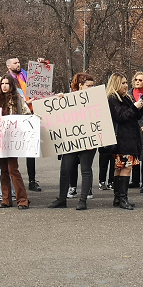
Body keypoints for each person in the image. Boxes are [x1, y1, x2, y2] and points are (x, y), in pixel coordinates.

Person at [49, 73, 97, 210]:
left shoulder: (96, 99)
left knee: (86, 170)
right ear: (80, 86)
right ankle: (62, 199)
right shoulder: (67, 99)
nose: (91, 88)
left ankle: (82, 201)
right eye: (88, 86)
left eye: (92, 86)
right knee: (65, 170)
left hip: (88, 141)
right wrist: (58, 100)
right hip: (71, 141)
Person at [0, 74, 31, 209]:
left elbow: (26, 114)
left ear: (11, 85)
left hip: (14, 138)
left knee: (13, 169)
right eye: (2, 84)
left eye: (7, 83)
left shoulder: (18, 98)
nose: (4, 86)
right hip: (0, 138)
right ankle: (6, 199)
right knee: (3, 170)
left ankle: (22, 200)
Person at [106, 72, 143, 210]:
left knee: (119, 168)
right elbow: (121, 116)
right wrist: (135, 107)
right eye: (123, 83)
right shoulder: (112, 98)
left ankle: (118, 198)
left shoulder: (125, 97)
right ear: (116, 84)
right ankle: (123, 198)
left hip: (127, 138)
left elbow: (135, 116)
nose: (126, 85)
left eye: (126, 82)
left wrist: (140, 107)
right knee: (125, 168)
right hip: (122, 139)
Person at [6, 57, 40, 191]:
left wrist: (40, 63)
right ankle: (12, 182)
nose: (18, 64)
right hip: (15, 116)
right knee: (13, 151)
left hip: (29, 114)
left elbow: (39, 78)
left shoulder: (25, 75)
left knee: (31, 149)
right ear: (8, 66)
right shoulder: (7, 80)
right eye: (15, 63)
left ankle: (32, 180)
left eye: (19, 62)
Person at [129, 72, 143, 192]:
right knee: (134, 153)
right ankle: (135, 180)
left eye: (140, 80)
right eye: (136, 79)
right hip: (132, 127)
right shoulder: (129, 94)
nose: (137, 81)